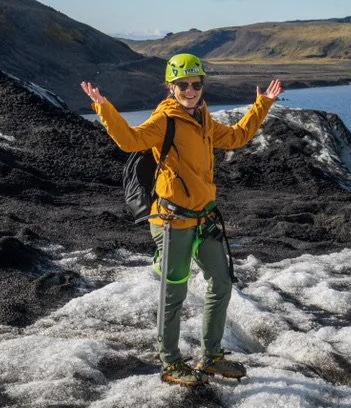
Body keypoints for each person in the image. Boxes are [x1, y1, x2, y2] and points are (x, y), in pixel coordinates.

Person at [81, 53, 282, 387]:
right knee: (173, 293)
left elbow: (235, 137)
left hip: (203, 219)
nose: (190, 90)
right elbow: (129, 140)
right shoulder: (165, 120)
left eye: (196, 84)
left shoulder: (202, 118)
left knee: (221, 281)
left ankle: (211, 356)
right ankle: (170, 362)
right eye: (183, 85)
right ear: (170, 86)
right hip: (172, 221)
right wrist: (103, 107)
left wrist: (262, 105)